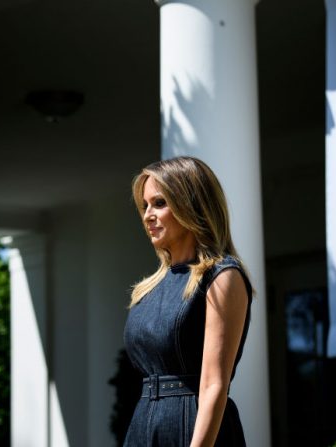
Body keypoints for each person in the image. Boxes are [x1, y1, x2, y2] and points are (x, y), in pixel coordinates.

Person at [123, 156, 253, 447]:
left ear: (191, 205)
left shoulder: (222, 276)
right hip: (144, 426)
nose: (147, 215)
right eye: (145, 206)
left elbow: (214, 385)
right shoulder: (149, 287)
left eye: (159, 203)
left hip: (196, 427)